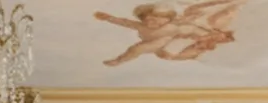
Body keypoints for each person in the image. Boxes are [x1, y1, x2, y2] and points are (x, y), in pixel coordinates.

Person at [93, 0, 244, 66]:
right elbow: (125, 22)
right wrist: (109, 18)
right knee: (135, 49)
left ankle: (210, 41)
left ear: (167, 20)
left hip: (164, 41)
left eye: (159, 20)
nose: (153, 23)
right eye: (149, 20)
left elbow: (191, 30)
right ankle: (120, 60)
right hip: (152, 44)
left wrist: (207, 35)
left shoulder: (172, 27)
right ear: (143, 19)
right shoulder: (140, 26)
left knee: (150, 46)